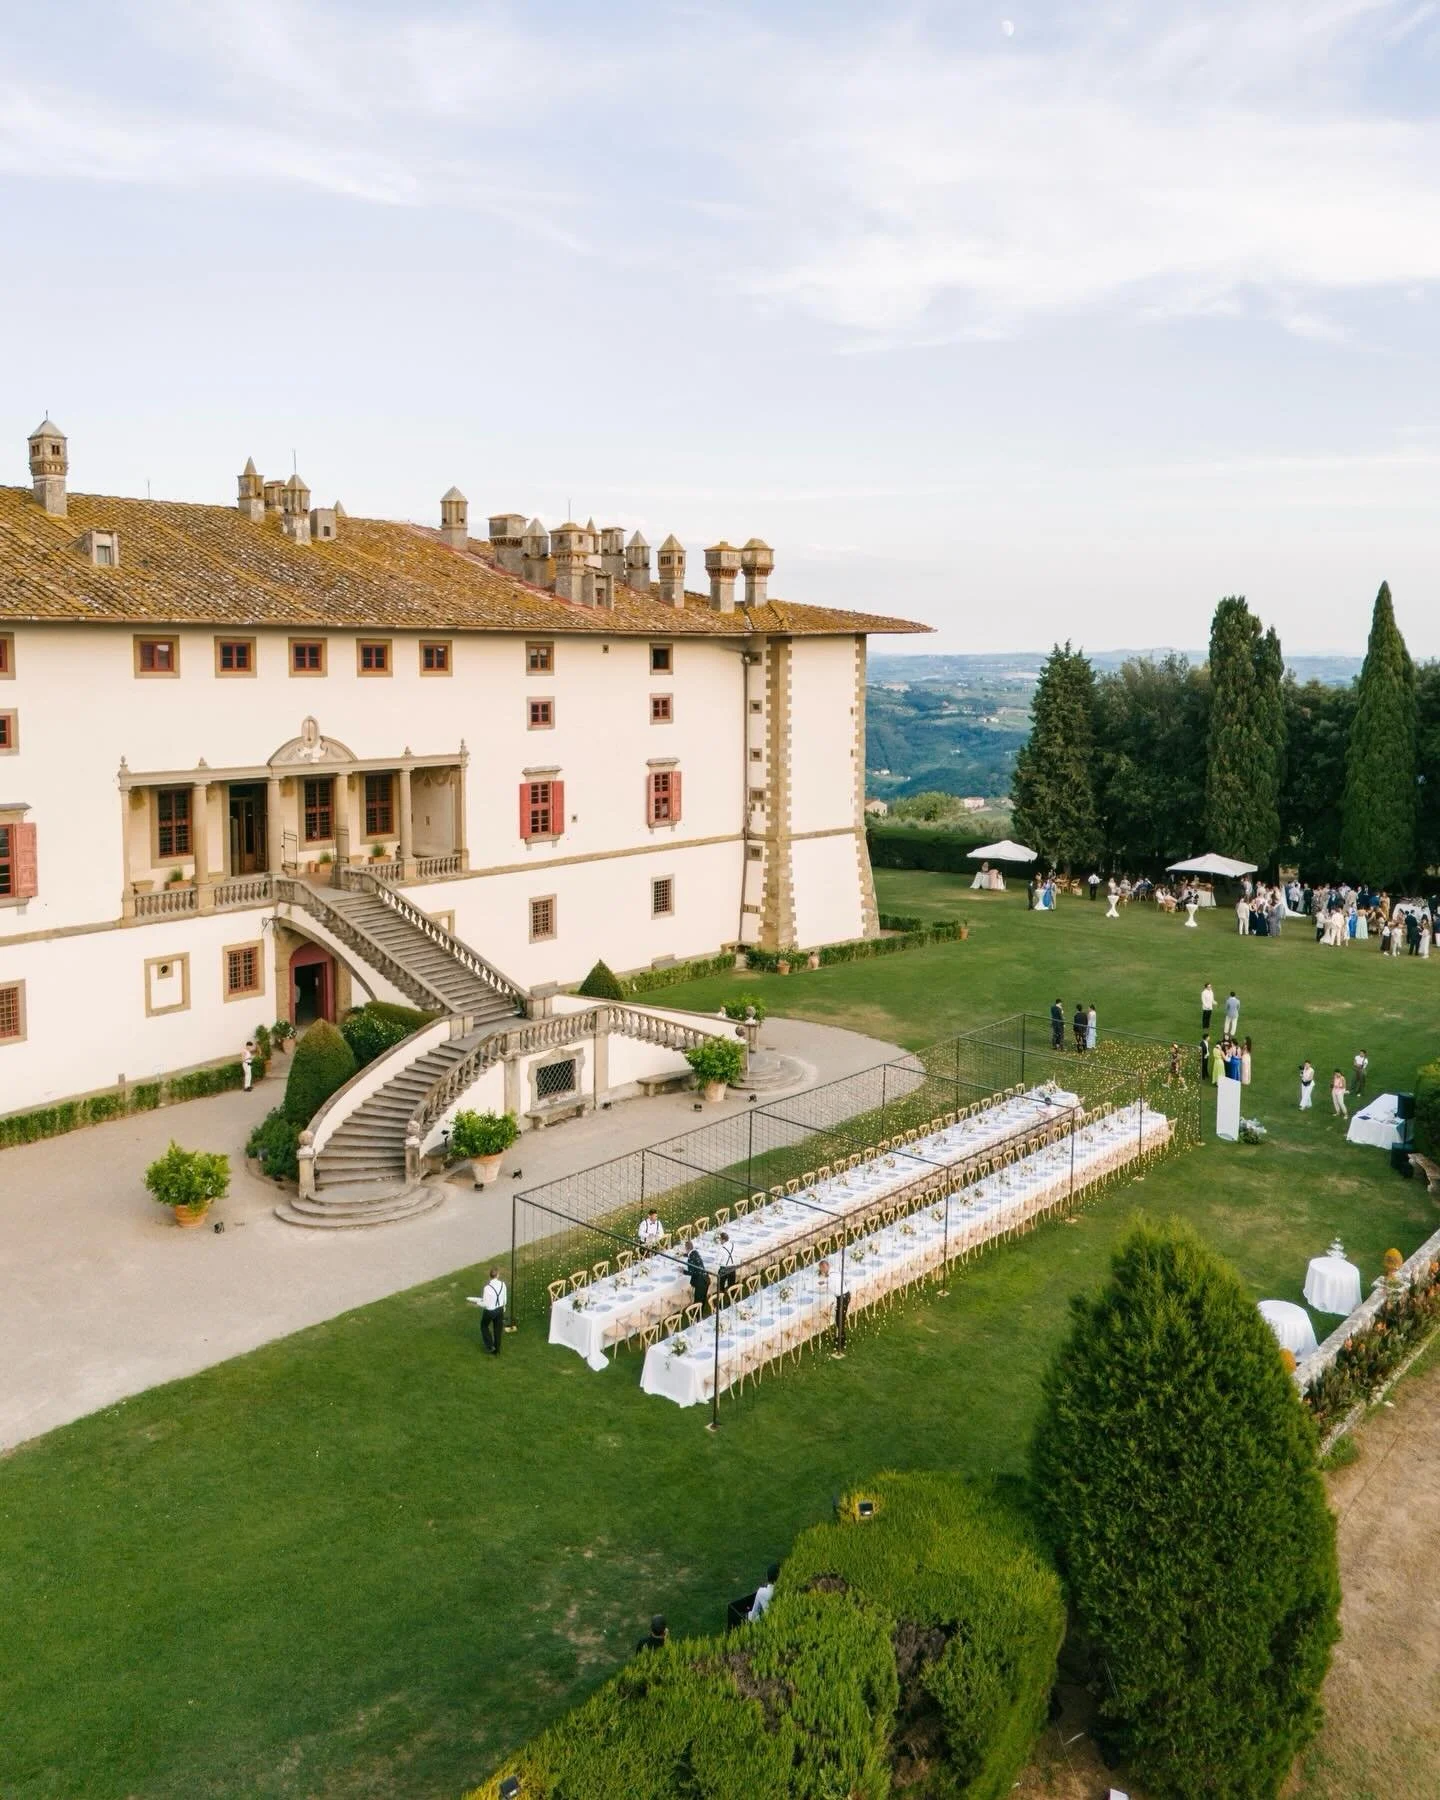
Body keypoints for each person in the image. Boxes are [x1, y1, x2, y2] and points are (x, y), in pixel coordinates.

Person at [468, 1267, 508, 1356]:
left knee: (484, 1326)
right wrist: (503, 1306)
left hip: (490, 1311)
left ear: (490, 1276)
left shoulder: (487, 1288)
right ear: (498, 1275)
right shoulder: (503, 1284)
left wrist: (478, 1303)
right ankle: (497, 1350)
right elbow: (505, 1298)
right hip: (500, 1309)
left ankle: (490, 1346)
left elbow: (485, 1303)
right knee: (498, 1330)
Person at [817, 1257, 849, 1351]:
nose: (822, 1271)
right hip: (844, 1296)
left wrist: (824, 1285)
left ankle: (841, 1342)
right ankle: (840, 1338)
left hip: (842, 1298)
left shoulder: (831, 1276)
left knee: (839, 1320)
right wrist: (825, 1281)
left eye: (822, 1269)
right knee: (839, 1319)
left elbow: (831, 1288)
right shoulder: (834, 1272)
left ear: (826, 1267)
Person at [684, 1239, 710, 1308]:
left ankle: (697, 1316)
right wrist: (684, 1255)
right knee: (703, 1298)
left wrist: (683, 1271)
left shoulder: (690, 1259)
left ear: (686, 1248)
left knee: (698, 1301)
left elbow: (692, 1272)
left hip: (700, 1281)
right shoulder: (696, 1252)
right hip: (706, 1278)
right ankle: (700, 1315)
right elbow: (692, 1255)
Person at [716, 1232, 739, 1299]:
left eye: (720, 1239)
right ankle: (732, 1299)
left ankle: (720, 1302)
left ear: (723, 1240)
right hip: (732, 1267)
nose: (719, 1241)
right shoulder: (733, 1245)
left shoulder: (721, 1249)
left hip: (724, 1268)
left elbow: (717, 1261)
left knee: (720, 1285)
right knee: (731, 1285)